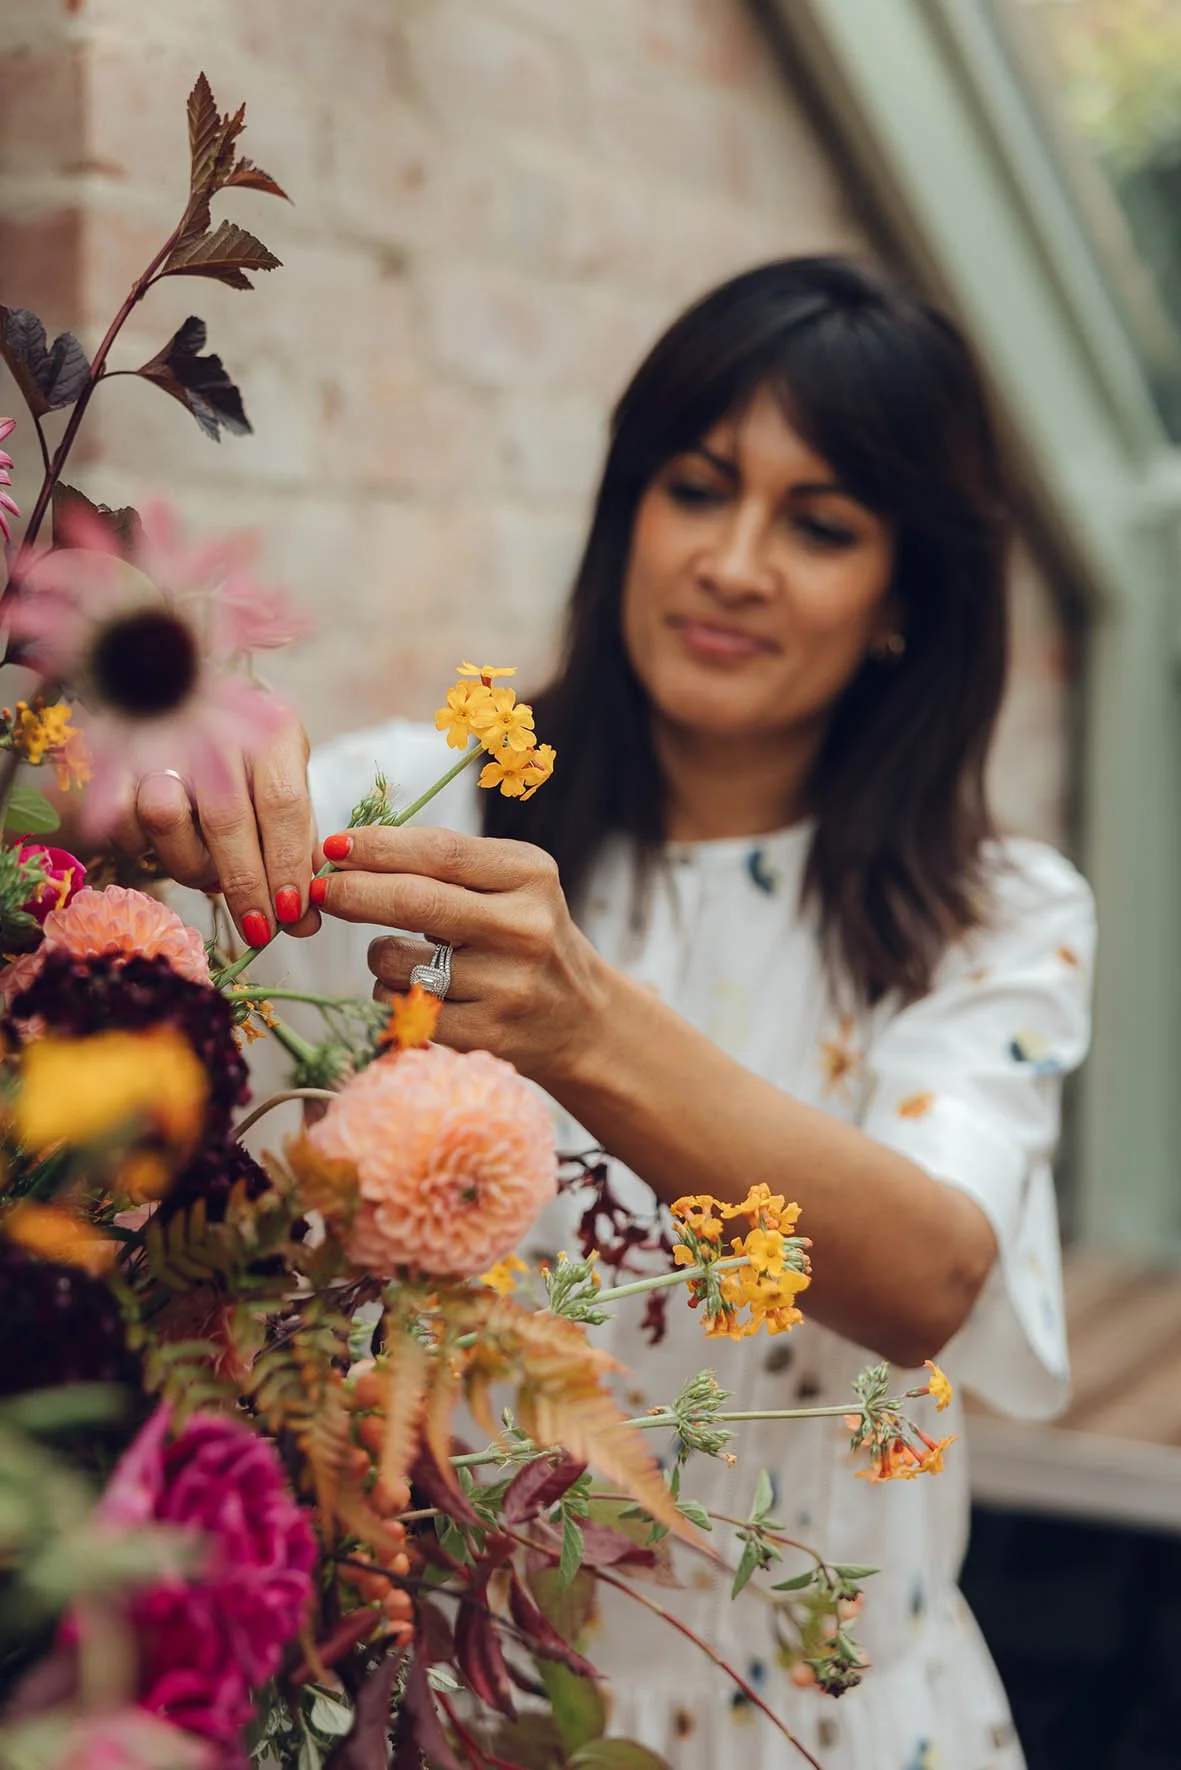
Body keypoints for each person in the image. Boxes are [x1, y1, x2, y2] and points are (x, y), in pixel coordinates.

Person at [127, 257, 1095, 1769]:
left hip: (825, 1720)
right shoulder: (439, 809)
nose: (734, 562)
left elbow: (933, 1265)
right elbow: (124, 833)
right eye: (699, 489)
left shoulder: (992, 909)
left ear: (908, 591)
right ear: (628, 507)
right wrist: (158, 708)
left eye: (821, 523)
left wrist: (584, 1026)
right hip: (461, 1713)